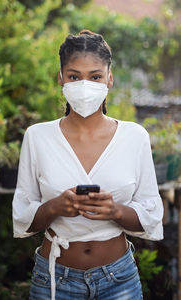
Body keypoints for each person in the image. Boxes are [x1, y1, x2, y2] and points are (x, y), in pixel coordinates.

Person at [12, 29, 164, 300]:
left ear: (110, 79)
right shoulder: (37, 137)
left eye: (95, 76)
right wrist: (54, 208)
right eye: (74, 76)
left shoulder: (134, 137)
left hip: (119, 280)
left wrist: (115, 210)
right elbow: (24, 219)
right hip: (54, 280)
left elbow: (151, 217)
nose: (85, 85)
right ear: (61, 79)